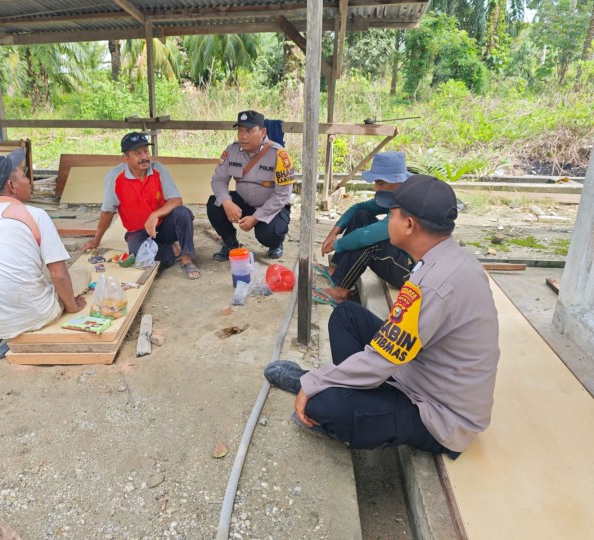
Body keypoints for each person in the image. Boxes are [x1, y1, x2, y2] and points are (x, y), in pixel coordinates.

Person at [265, 175, 500, 457]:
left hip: (439, 412)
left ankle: (320, 386)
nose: (387, 221)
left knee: (324, 407)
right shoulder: (448, 257)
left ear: (409, 225)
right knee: (347, 316)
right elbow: (394, 344)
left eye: (391, 215)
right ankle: (332, 384)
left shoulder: (436, 285)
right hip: (419, 370)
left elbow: (385, 356)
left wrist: (315, 384)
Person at [0, 149, 90, 362]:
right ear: (12, 186)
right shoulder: (35, 215)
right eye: (24, 175)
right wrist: (72, 307)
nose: (28, 181)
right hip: (35, 314)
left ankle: (14, 328)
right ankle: (40, 318)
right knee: (81, 273)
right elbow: (59, 274)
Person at [82, 132, 201, 279]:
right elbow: (107, 211)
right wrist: (96, 240)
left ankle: (186, 258)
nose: (144, 157)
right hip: (138, 233)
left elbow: (176, 200)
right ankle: (173, 250)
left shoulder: (158, 169)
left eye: (146, 151)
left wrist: (155, 215)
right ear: (126, 157)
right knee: (139, 256)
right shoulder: (115, 177)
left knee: (182, 213)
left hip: (164, 227)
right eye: (137, 153)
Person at [313, 151, 414, 306]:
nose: (375, 188)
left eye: (380, 183)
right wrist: (333, 233)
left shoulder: (408, 202)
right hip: (401, 252)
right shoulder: (397, 191)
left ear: (398, 181)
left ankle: (341, 292)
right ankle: (339, 269)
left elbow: (365, 236)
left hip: (411, 272)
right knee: (362, 215)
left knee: (368, 243)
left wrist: (337, 244)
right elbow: (358, 207)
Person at [207, 110, 295, 261]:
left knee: (268, 235)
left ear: (262, 132)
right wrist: (227, 202)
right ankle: (231, 243)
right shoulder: (232, 151)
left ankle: (276, 244)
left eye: (249, 131)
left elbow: (282, 195)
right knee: (214, 205)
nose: (243, 136)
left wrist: (256, 218)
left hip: (270, 206)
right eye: (240, 131)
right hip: (244, 201)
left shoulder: (279, 154)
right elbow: (219, 180)